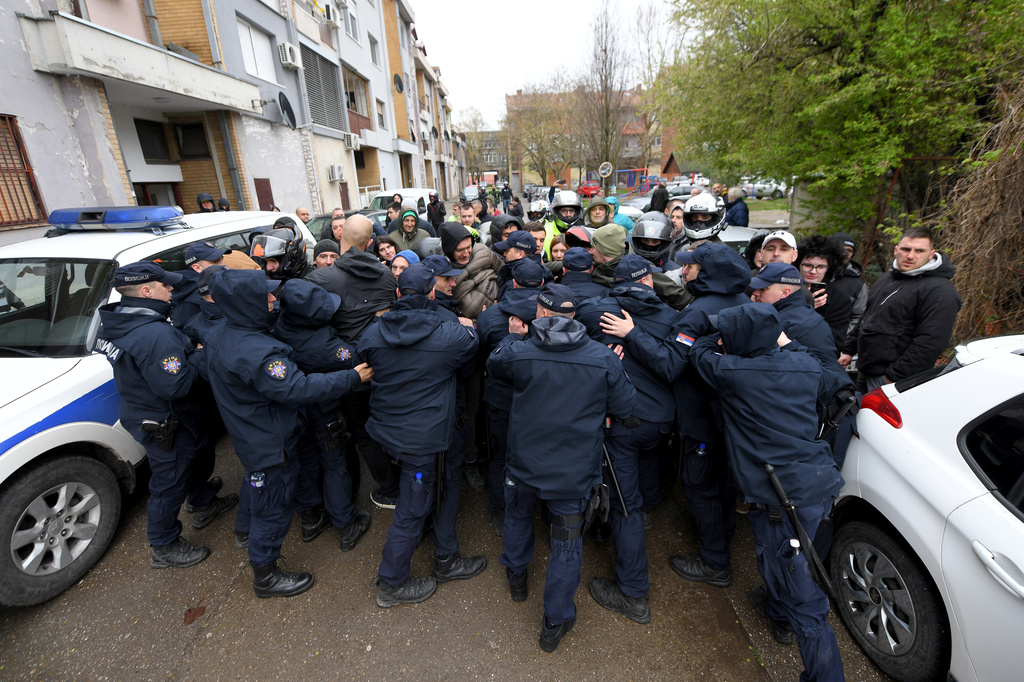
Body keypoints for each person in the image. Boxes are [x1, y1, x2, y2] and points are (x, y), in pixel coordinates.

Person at [690, 304, 845, 682]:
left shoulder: (735, 373)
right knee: (788, 560)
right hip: (819, 484)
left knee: (806, 600)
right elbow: (821, 370)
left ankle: (826, 675)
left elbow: (698, 352)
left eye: (729, 334)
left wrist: (716, 337)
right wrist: (783, 339)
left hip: (783, 497)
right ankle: (777, 611)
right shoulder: (807, 367)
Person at [487, 283, 637, 652]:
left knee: (518, 516)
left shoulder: (519, 354)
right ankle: (554, 621)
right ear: (574, 318)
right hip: (574, 471)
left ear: (539, 314)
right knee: (566, 545)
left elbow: (495, 366)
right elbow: (625, 406)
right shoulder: (603, 358)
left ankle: (517, 576)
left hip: (523, 464)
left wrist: (510, 338)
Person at [206, 269, 370, 597]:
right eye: (263, 296)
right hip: (268, 441)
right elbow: (296, 387)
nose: (272, 300)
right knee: (273, 506)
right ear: (244, 304)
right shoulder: (259, 352)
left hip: (255, 432)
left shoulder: (223, 333)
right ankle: (265, 576)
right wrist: (353, 377)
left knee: (283, 480)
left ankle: (286, 523)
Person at [601, 242, 753, 587]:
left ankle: (715, 562)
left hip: (701, 416)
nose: (683, 271)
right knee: (724, 483)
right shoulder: (743, 302)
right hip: (734, 413)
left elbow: (670, 364)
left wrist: (631, 334)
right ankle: (722, 545)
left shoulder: (698, 312)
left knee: (700, 487)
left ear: (708, 273)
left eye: (691, 267)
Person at [357, 263, 485, 607]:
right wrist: (464, 324)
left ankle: (442, 554)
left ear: (398, 293)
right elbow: (474, 339)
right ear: (432, 292)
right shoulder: (449, 335)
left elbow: (362, 350)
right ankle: (392, 583)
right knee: (411, 511)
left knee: (418, 496)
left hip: (390, 432)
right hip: (423, 440)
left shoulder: (374, 332)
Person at [96, 263, 236, 569]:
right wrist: (198, 354)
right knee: (169, 484)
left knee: (194, 461)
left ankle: (203, 502)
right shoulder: (154, 334)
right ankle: (164, 544)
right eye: (165, 286)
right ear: (146, 291)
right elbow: (178, 384)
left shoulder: (119, 319)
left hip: (147, 410)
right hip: (167, 421)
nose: (171, 289)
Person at [307, 215, 402, 508]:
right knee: (389, 420)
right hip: (386, 364)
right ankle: (403, 477)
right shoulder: (386, 274)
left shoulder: (321, 279)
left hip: (351, 371)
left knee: (363, 431)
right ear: (370, 243)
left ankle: (390, 488)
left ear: (340, 240)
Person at [272, 279, 373, 552]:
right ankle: (345, 523)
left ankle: (310, 518)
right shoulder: (324, 347)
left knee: (305, 462)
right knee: (335, 462)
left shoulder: (280, 324)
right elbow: (354, 359)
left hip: (293, 412)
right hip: (322, 409)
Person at [840, 228, 961, 392]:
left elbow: (930, 342)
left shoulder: (940, 291)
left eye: (919, 251)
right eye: (906, 249)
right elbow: (868, 316)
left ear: (931, 254)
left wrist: (893, 377)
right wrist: (848, 350)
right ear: (896, 250)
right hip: (865, 370)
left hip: (893, 381)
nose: (911, 256)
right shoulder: (889, 278)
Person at [439, 223, 501, 320]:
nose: (466, 254)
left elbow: (504, 273)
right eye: (460, 250)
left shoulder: (482, 252)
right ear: (449, 250)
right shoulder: (443, 271)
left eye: (468, 247)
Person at [822, 232, 868, 351]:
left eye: (849, 250)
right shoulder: (814, 273)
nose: (844, 253)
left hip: (836, 344)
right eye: (840, 249)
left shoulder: (857, 284)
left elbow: (858, 315)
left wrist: (842, 336)